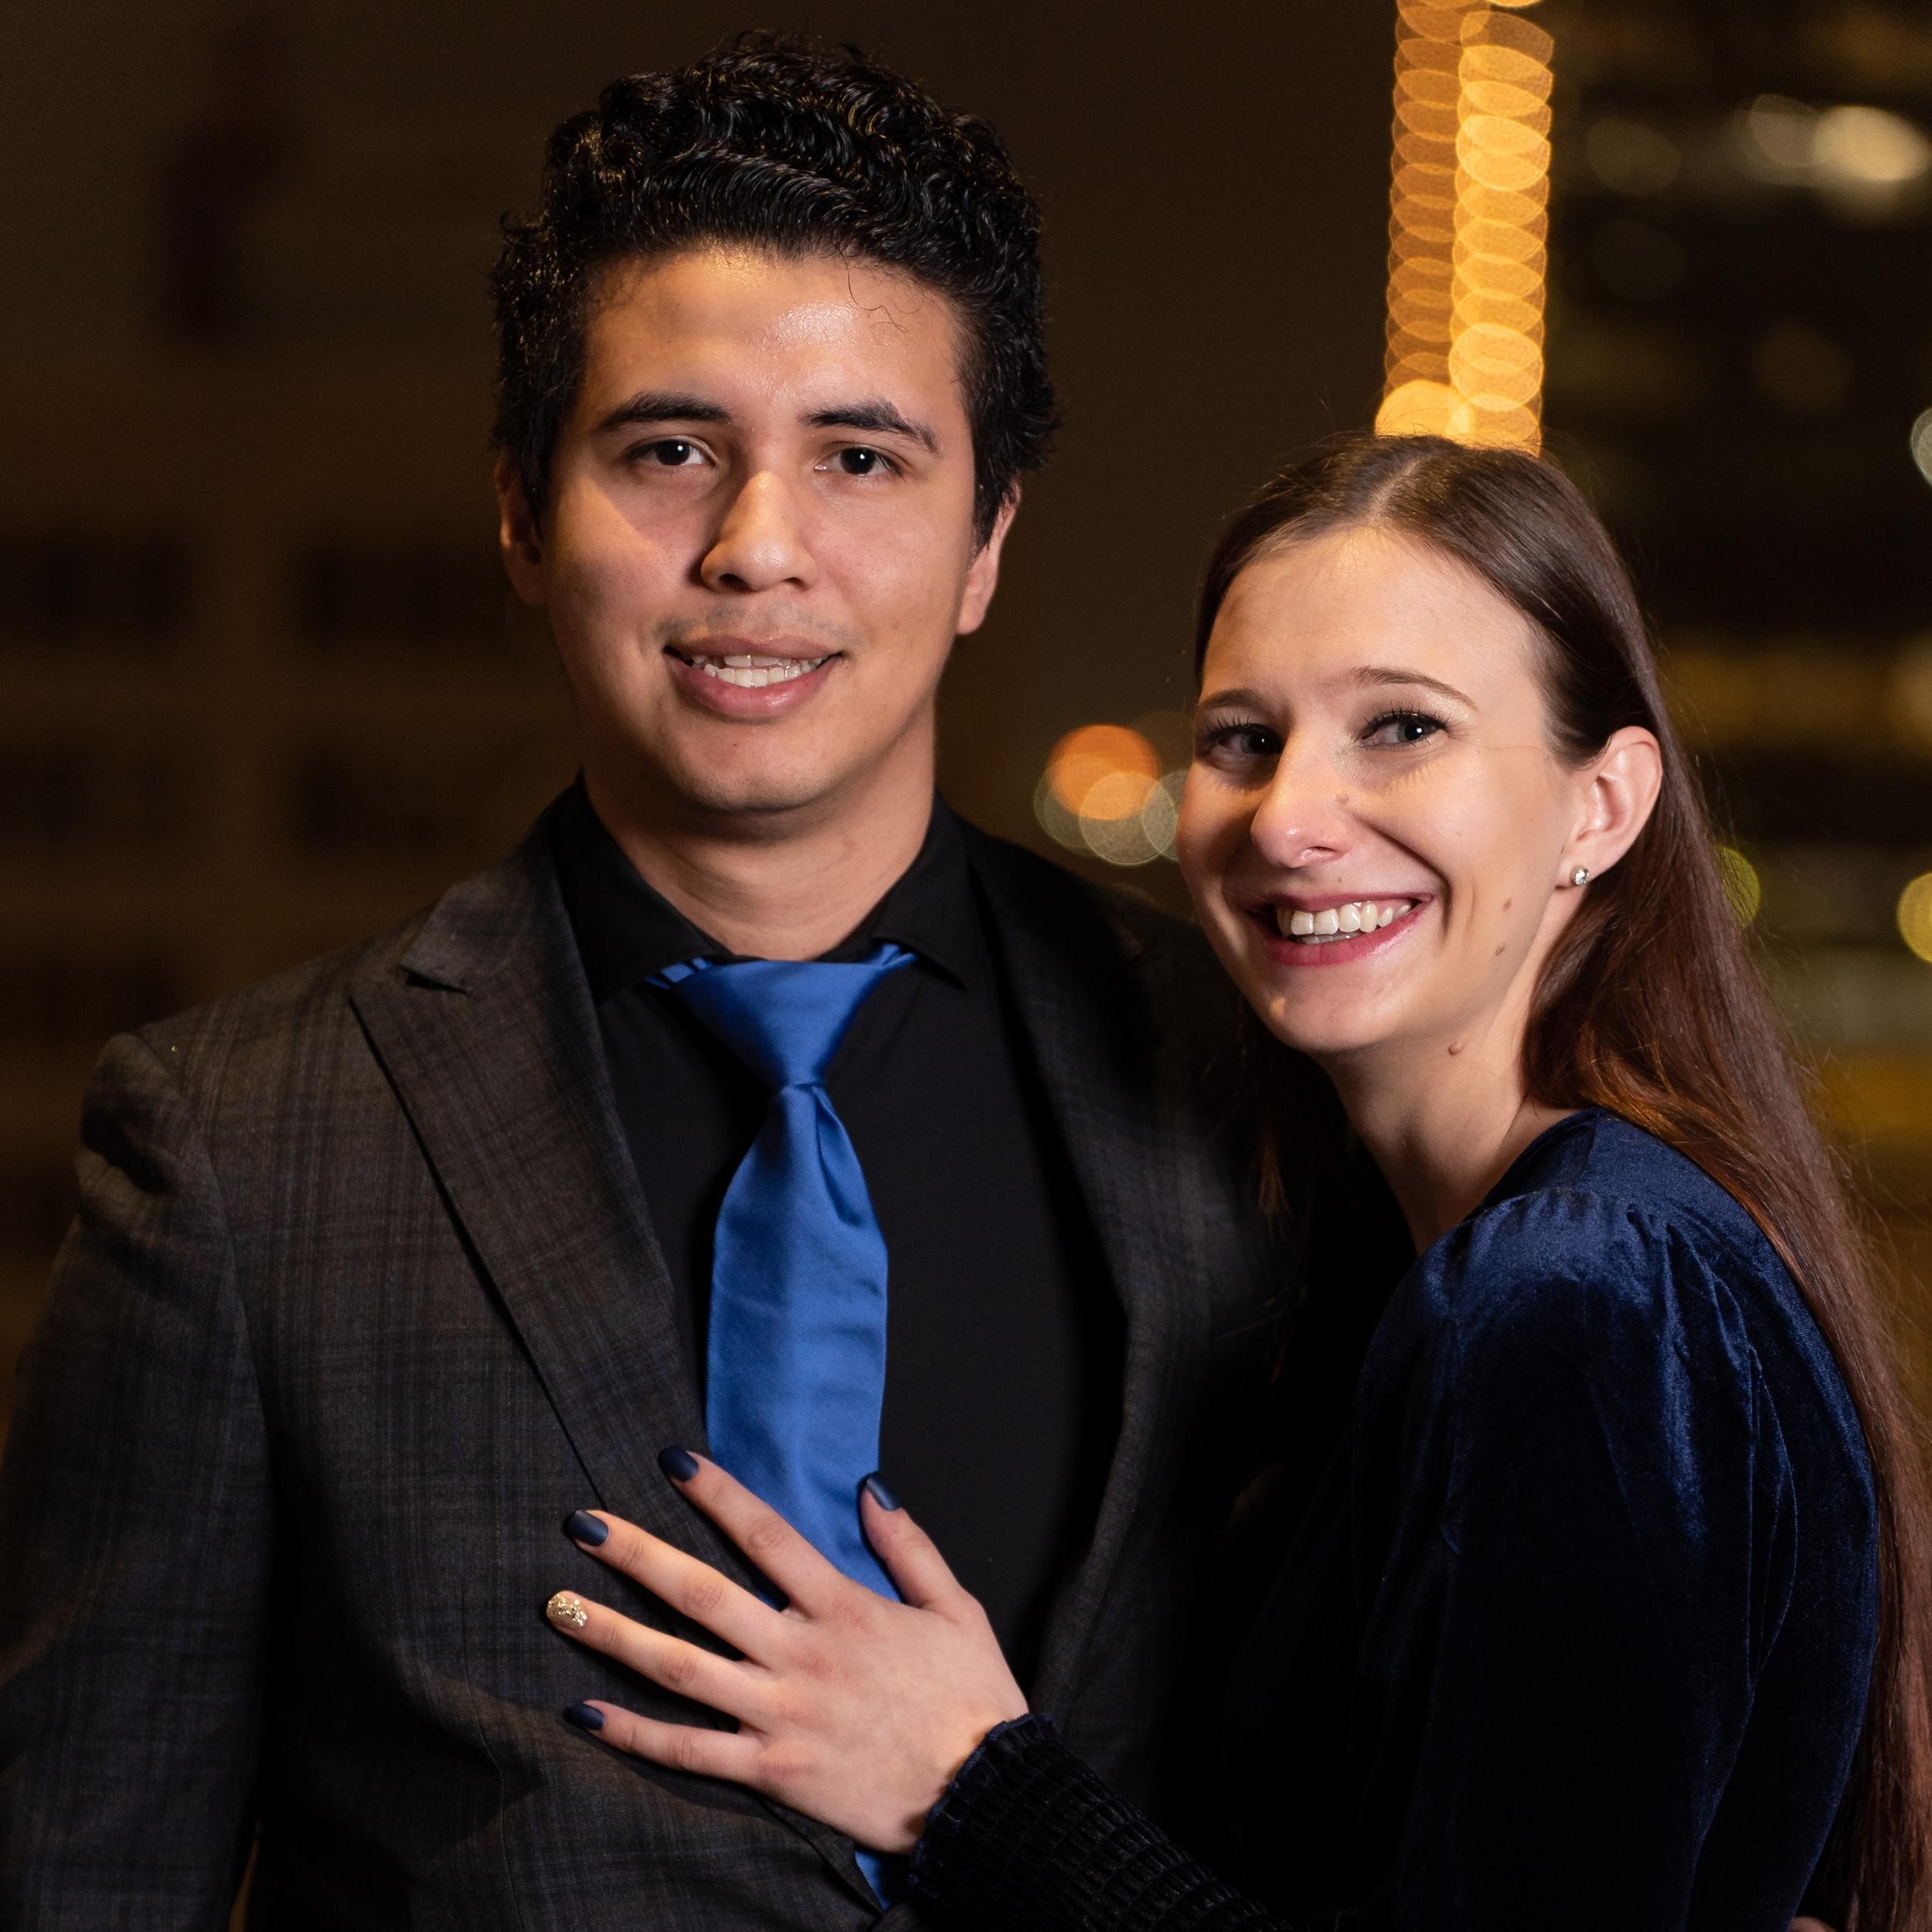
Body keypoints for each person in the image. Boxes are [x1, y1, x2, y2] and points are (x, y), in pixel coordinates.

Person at [0, 39, 1291, 1925]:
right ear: (522, 516)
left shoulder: (1239, 1080)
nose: (757, 546)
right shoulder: (237, 1152)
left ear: (987, 544)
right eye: (668, 449)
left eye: (860, 458)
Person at [533, 434, 1932, 1930]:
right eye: (1243, 739)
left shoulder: (1575, 1294)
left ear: (1601, 803)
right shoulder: (1498, 1255)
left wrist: (971, 1784)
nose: (1287, 817)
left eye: (1401, 727)